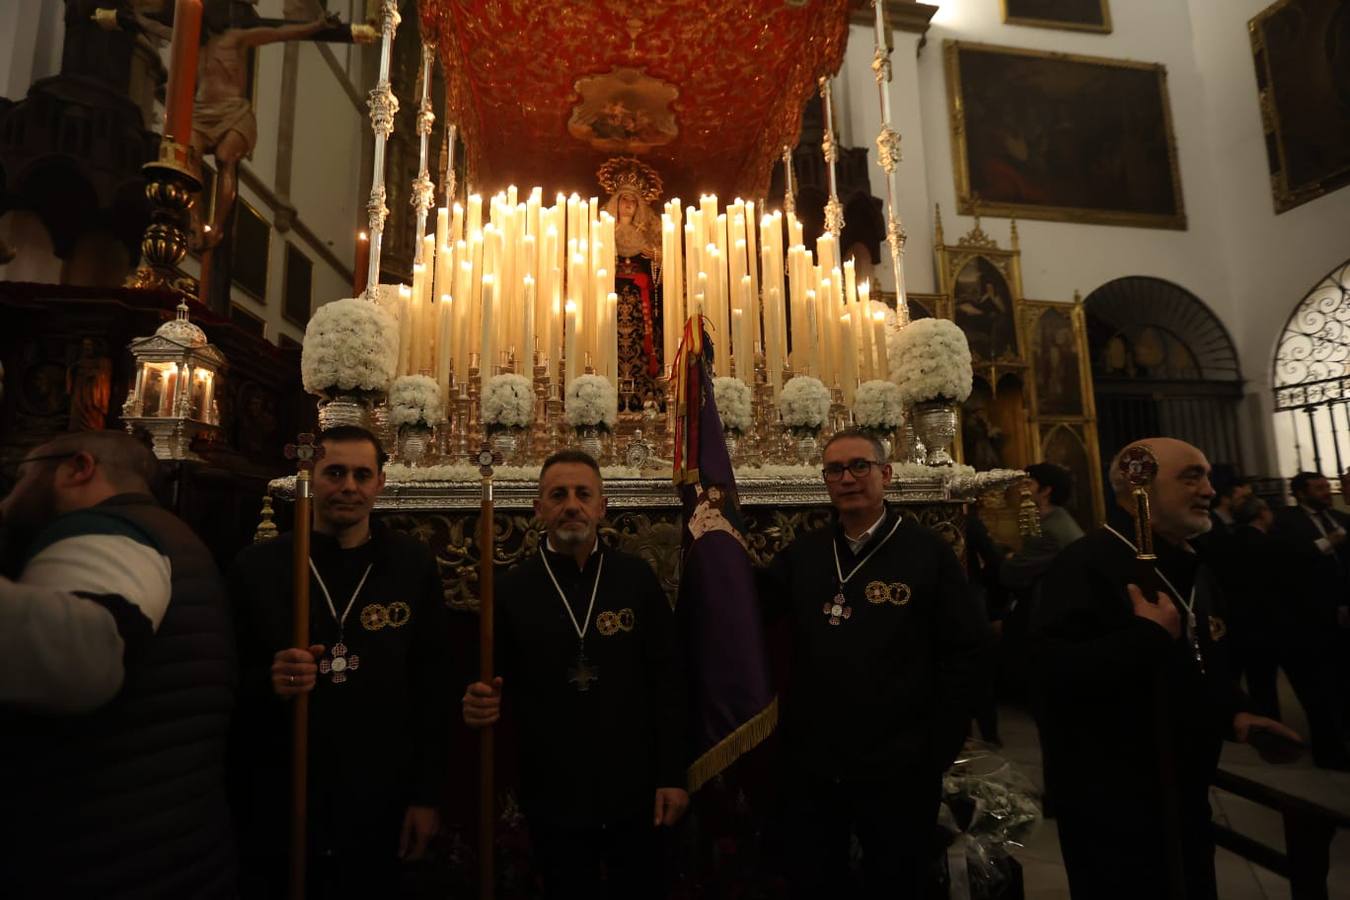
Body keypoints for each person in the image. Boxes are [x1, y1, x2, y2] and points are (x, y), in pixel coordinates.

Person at [1034, 437, 1300, 899]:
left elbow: (1201, 654)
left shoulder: (1191, 560)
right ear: (1138, 484)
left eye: (1207, 477)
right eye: (1191, 476)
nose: (1209, 490)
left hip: (1185, 788)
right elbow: (1046, 673)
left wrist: (1233, 711)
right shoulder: (1085, 563)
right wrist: (1144, 638)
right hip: (1113, 801)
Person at [0, 431, 236, 897]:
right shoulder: (162, 532)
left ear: (78, 467)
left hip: (100, 858)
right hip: (152, 848)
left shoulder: (109, 532)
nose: (10, 496)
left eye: (22, 475)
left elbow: (79, 656)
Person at [760, 428, 988, 898]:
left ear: (885, 474)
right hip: (816, 763)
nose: (848, 478)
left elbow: (966, 651)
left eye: (859, 466)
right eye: (835, 469)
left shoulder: (927, 552)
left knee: (897, 879)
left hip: (900, 764)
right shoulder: (805, 554)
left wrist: (937, 748)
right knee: (817, 878)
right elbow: (753, 609)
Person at [229, 426, 451, 897]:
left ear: (380, 483)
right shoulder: (259, 567)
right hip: (282, 789)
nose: (348, 486)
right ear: (309, 476)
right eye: (334, 473)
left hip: (379, 790)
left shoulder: (412, 564)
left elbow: (432, 685)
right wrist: (268, 681)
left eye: (361, 474)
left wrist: (425, 797)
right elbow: (223, 679)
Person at [462, 449, 687, 899]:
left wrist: (673, 775)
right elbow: (484, 680)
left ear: (602, 507)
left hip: (634, 787)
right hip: (552, 789)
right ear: (538, 508)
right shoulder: (509, 588)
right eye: (558, 495)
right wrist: (473, 699)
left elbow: (668, 680)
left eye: (583, 494)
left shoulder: (635, 579)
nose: (571, 505)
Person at [1269, 473, 1350, 769]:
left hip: (1341, 615)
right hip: (1307, 619)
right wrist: (1326, 543)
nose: (1327, 492)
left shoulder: (1341, 518)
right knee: (1321, 688)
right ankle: (1329, 751)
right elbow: (1287, 562)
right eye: (1319, 488)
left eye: (1327, 487)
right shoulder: (1286, 523)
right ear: (1301, 493)